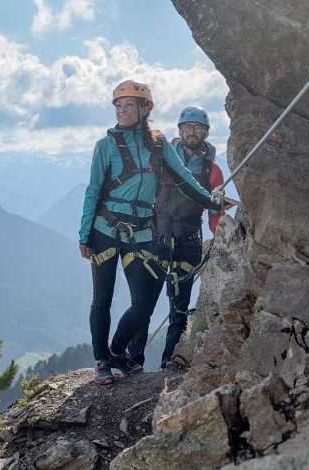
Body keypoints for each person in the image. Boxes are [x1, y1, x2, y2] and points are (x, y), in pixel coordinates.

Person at [78, 81, 221, 385]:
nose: (122, 110)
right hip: (105, 229)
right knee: (101, 298)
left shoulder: (157, 144)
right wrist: (84, 233)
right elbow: (93, 189)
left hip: (142, 232)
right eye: (118, 105)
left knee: (144, 302)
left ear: (145, 109)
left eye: (130, 104)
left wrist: (209, 201)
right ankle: (102, 360)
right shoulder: (105, 146)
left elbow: (182, 179)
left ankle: (117, 350)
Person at [128, 106, 225, 369]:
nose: (192, 132)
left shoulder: (213, 171)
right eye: (187, 127)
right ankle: (133, 359)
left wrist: (218, 239)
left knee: (179, 306)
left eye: (197, 128)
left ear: (205, 133)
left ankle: (169, 361)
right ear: (180, 131)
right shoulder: (161, 159)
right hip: (157, 236)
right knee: (144, 300)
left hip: (189, 241)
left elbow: (216, 210)